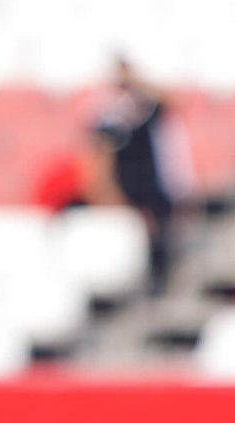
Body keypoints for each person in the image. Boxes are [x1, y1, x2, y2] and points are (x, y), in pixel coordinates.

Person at [85, 57, 194, 296]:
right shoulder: (108, 109)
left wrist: (136, 81)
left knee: (161, 236)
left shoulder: (145, 103)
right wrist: (104, 189)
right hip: (125, 185)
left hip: (153, 184)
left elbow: (170, 102)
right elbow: (100, 149)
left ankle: (160, 284)